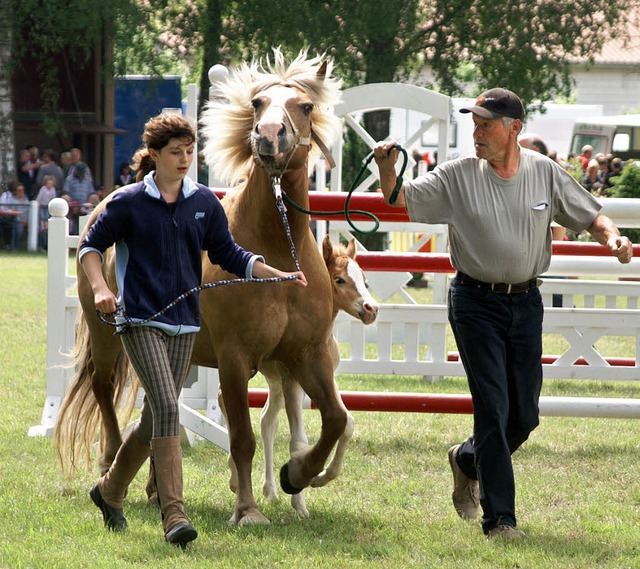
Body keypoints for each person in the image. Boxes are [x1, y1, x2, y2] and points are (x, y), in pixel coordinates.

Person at [373, 88, 632, 540]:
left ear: (514, 129)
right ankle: (501, 520)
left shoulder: (544, 172)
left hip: (526, 303)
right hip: (475, 303)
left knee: (524, 416)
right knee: (493, 407)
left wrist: (612, 239)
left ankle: (468, 459)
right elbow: (398, 198)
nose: (476, 133)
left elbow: (592, 216)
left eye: (486, 124)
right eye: (474, 123)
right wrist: (387, 166)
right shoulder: (457, 176)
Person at [80, 112, 307, 547]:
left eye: (190, 152)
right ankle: (174, 517)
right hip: (141, 319)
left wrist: (274, 271)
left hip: (185, 322)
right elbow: (91, 246)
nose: (185, 159)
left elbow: (229, 253)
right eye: (176, 153)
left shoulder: (203, 201)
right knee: (167, 405)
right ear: (156, 156)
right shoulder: (127, 202)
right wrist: (99, 287)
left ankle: (108, 492)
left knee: (153, 419)